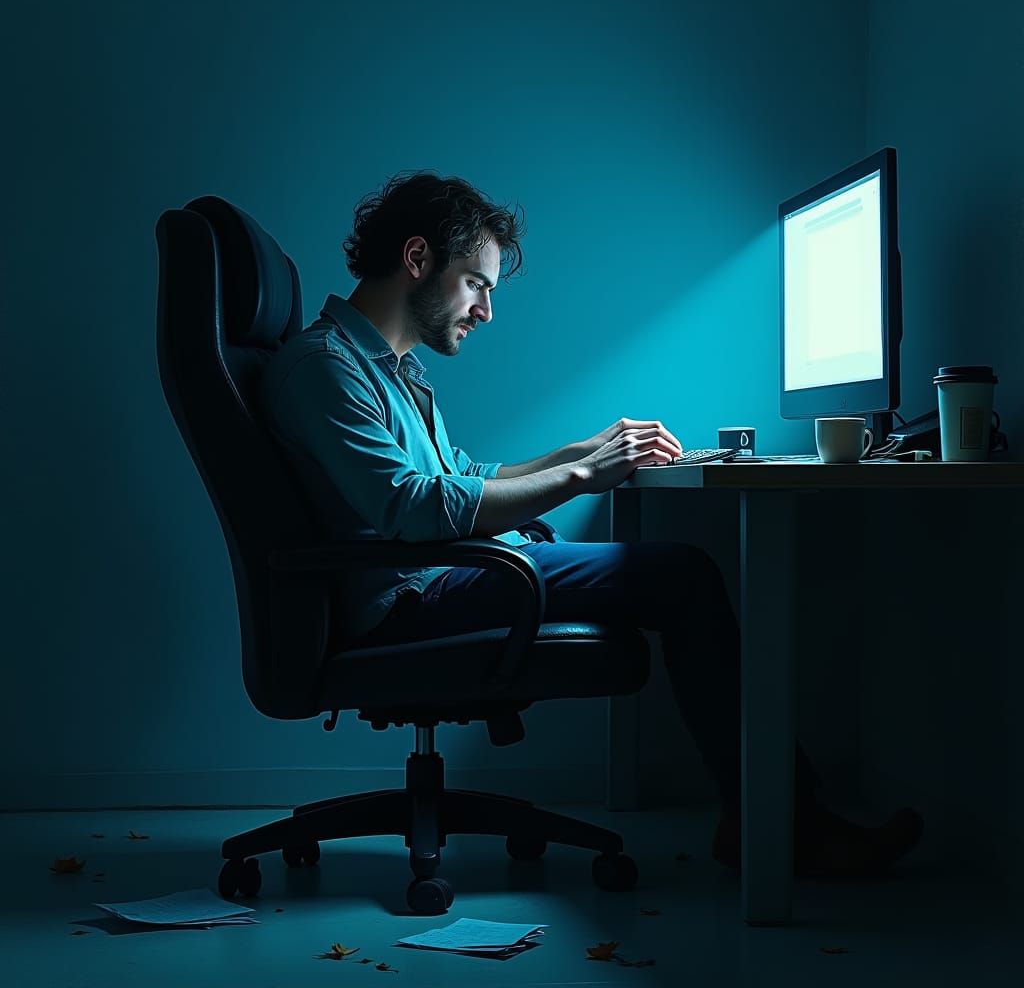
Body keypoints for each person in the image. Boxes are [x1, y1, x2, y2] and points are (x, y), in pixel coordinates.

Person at [260, 171, 923, 878]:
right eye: (477, 284)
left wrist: (586, 450)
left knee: (673, 574)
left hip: (443, 575)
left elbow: (460, 474)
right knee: (683, 575)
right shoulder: (323, 369)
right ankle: (785, 825)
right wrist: (584, 478)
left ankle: (771, 816)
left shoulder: (393, 371)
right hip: (411, 600)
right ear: (418, 259)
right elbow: (416, 508)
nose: (485, 309)